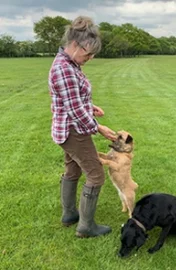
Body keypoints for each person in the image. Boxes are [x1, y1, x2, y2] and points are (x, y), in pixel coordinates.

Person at [48, 16, 117, 238]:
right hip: (73, 131)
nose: (91, 57)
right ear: (75, 45)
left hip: (68, 129)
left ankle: (69, 215)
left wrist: (90, 105)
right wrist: (99, 128)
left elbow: (73, 99)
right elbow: (75, 111)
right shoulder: (64, 68)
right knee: (96, 175)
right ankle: (86, 227)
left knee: (73, 169)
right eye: (88, 53)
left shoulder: (70, 63)